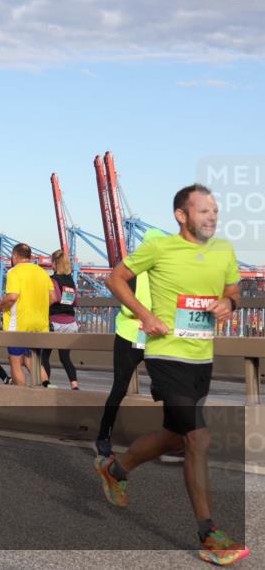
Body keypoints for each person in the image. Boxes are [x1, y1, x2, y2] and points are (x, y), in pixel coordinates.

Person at [97, 184, 247, 566]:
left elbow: (233, 288)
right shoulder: (159, 247)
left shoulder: (224, 252)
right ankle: (209, 533)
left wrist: (229, 302)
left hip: (201, 359)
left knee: (175, 436)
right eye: (203, 211)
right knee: (198, 437)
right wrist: (144, 316)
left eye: (215, 210)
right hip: (166, 356)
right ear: (181, 215)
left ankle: (116, 469)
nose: (212, 216)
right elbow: (115, 278)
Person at [95, 228, 166, 457]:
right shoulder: (132, 270)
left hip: (154, 336)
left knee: (166, 387)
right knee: (120, 387)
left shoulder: (165, 274)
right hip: (130, 335)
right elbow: (125, 304)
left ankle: (172, 436)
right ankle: (103, 436)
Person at [0, 243, 55, 386]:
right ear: (30, 257)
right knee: (32, 360)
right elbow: (53, 297)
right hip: (40, 325)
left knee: (15, 362)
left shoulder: (14, 272)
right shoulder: (42, 272)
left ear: (15, 256)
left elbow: (12, 297)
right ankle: (46, 391)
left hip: (19, 325)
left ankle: (22, 397)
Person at [43, 249, 80, 390]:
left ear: (54, 264)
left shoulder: (53, 280)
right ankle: (74, 384)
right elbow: (76, 302)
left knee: (44, 356)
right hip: (71, 323)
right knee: (65, 357)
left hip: (55, 322)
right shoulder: (71, 281)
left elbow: (55, 298)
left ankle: (46, 384)